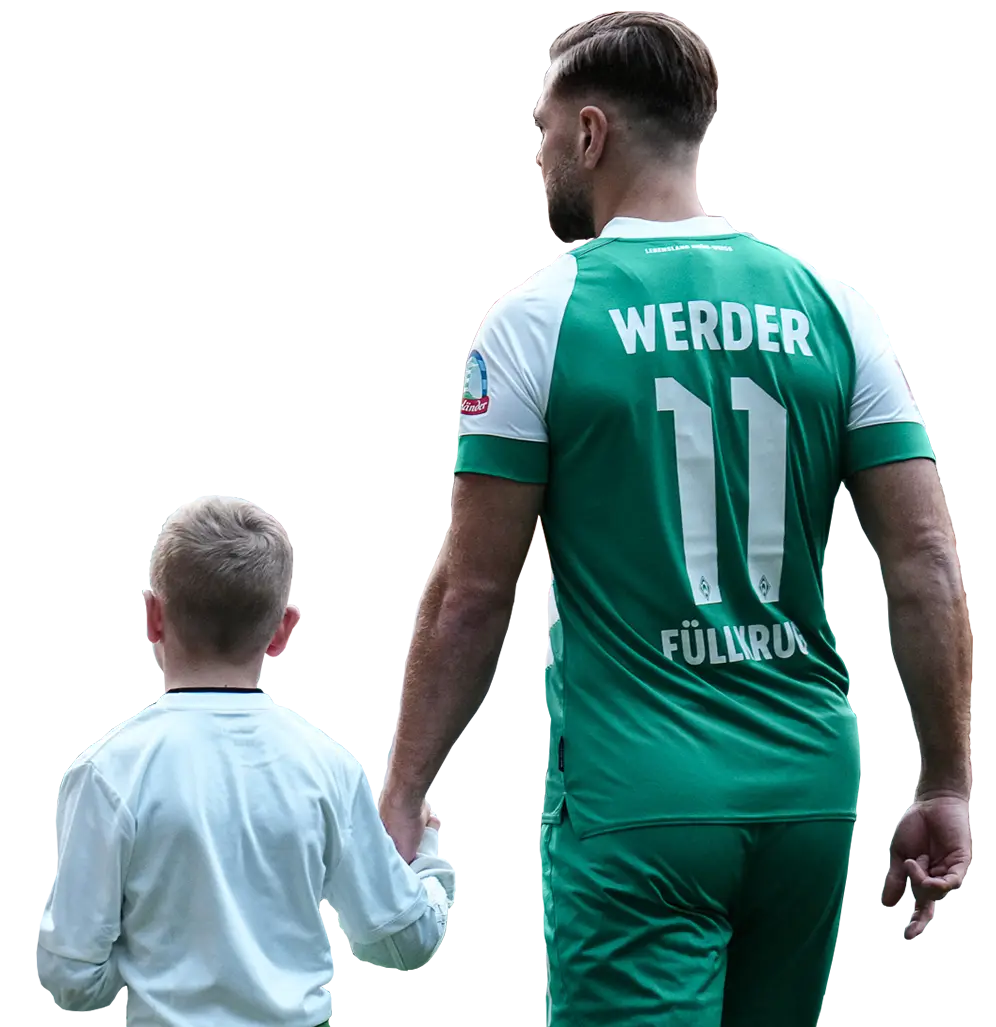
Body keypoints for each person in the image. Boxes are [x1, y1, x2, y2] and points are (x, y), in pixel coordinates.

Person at [377, 10, 973, 1027]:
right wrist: (950, 777)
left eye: (544, 129)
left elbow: (474, 593)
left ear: (592, 133)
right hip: (809, 789)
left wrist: (402, 787)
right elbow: (922, 557)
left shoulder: (537, 321)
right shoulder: (837, 308)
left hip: (639, 796)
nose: (538, 156)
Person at [33, 496, 455, 1027]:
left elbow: (69, 976)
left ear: (153, 615)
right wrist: (428, 858)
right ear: (283, 628)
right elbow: (403, 940)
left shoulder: (107, 773)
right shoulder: (327, 771)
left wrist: (157, 983)